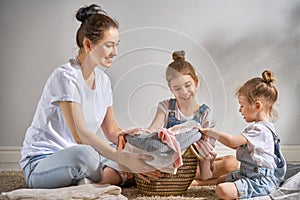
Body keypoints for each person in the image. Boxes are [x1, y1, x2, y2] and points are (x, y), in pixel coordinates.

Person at [20, 4, 158, 189]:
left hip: (82, 159)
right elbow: (80, 135)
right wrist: (121, 158)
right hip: (42, 163)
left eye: (116, 45)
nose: (115, 52)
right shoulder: (65, 76)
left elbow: (111, 130)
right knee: (87, 155)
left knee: (125, 154)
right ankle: (101, 178)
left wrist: (127, 137)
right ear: (88, 44)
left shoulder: (104, 81)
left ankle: (88, 182)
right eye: (109, 45)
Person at [148, 50, 238, 186]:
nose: (184, 92)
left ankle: (196, 182)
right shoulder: (166, 107)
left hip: (195, 164)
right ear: (171, 89)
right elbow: (151, 130)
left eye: (187, 85)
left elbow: (207, 149)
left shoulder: (205, 113)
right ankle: (193, 181)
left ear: (196, 82)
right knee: (159, 169)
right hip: (172, 162)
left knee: (232, 163)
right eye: (177, 88)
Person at [199, 70, 286, 199]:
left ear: (257, 106)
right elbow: (236, 146)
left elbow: (232, 142)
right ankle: (200, 183)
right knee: (220, 181)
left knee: (222, 190)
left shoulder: (260, 130)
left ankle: (242, 191)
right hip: (247, 173)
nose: (240, 110)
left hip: (260, 180)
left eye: (242, 106)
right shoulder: (260, 128)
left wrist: (210, 132)